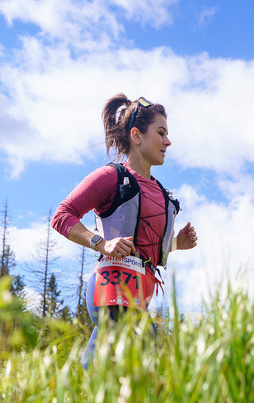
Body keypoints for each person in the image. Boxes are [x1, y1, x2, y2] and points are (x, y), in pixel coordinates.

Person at [51, 94, 198, 368]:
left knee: (102, 360)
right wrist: (100, 243)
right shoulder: (110, 177)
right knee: (148, 346)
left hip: (139, 295)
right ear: (137, 136)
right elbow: (62, 216)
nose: (168, 142)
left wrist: (175, 243)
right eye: (161, 133)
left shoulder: (162, 193)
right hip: (110, 287)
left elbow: (145, 245)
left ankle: (76, 399)